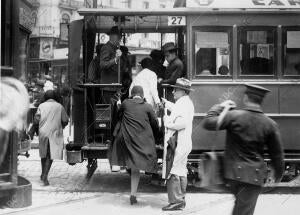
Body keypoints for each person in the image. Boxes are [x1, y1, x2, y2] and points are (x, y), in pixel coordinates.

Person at [202, 84, 284, 215]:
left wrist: (221, 106)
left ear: (246, 98)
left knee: (240, 208)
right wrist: (277, 176)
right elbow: (277, 155)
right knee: (244, 211)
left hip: (232, 176)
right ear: (261, 101)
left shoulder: (233, 116)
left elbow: (208, 122)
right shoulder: (270, 124)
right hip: (252, 177)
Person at [109, 86, 159, 205]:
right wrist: (157, 136)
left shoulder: (126, 103)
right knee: (141, 165)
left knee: (134, 168)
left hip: (129, 141)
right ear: (142, 95)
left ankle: (133, 195)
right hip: (143, 142)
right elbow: (155, 123)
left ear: (132, 94)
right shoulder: (148, 106)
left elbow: (118, 116)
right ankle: (150, 176)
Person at [161, 78, 195, 211]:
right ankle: (181, 199)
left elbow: (181, 123)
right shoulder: (186, 102)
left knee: (173, 170)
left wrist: (167, 122)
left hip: (178, 143)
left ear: (183, 91)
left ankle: (176, 201)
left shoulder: (182, 103)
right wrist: (167, 104)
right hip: (184, 142)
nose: (173, 91)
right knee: (181, 170)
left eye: (176, 89)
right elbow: (177, 110)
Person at [34, 90, 69, 186]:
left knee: (44, 154)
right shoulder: (59, 106)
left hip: (43, 132)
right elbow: (65, 120)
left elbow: (36, 120)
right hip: (54, 133)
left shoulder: (41, 106)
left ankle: (42, 174)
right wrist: (61, 125)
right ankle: (45, 175)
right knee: (51, 154)